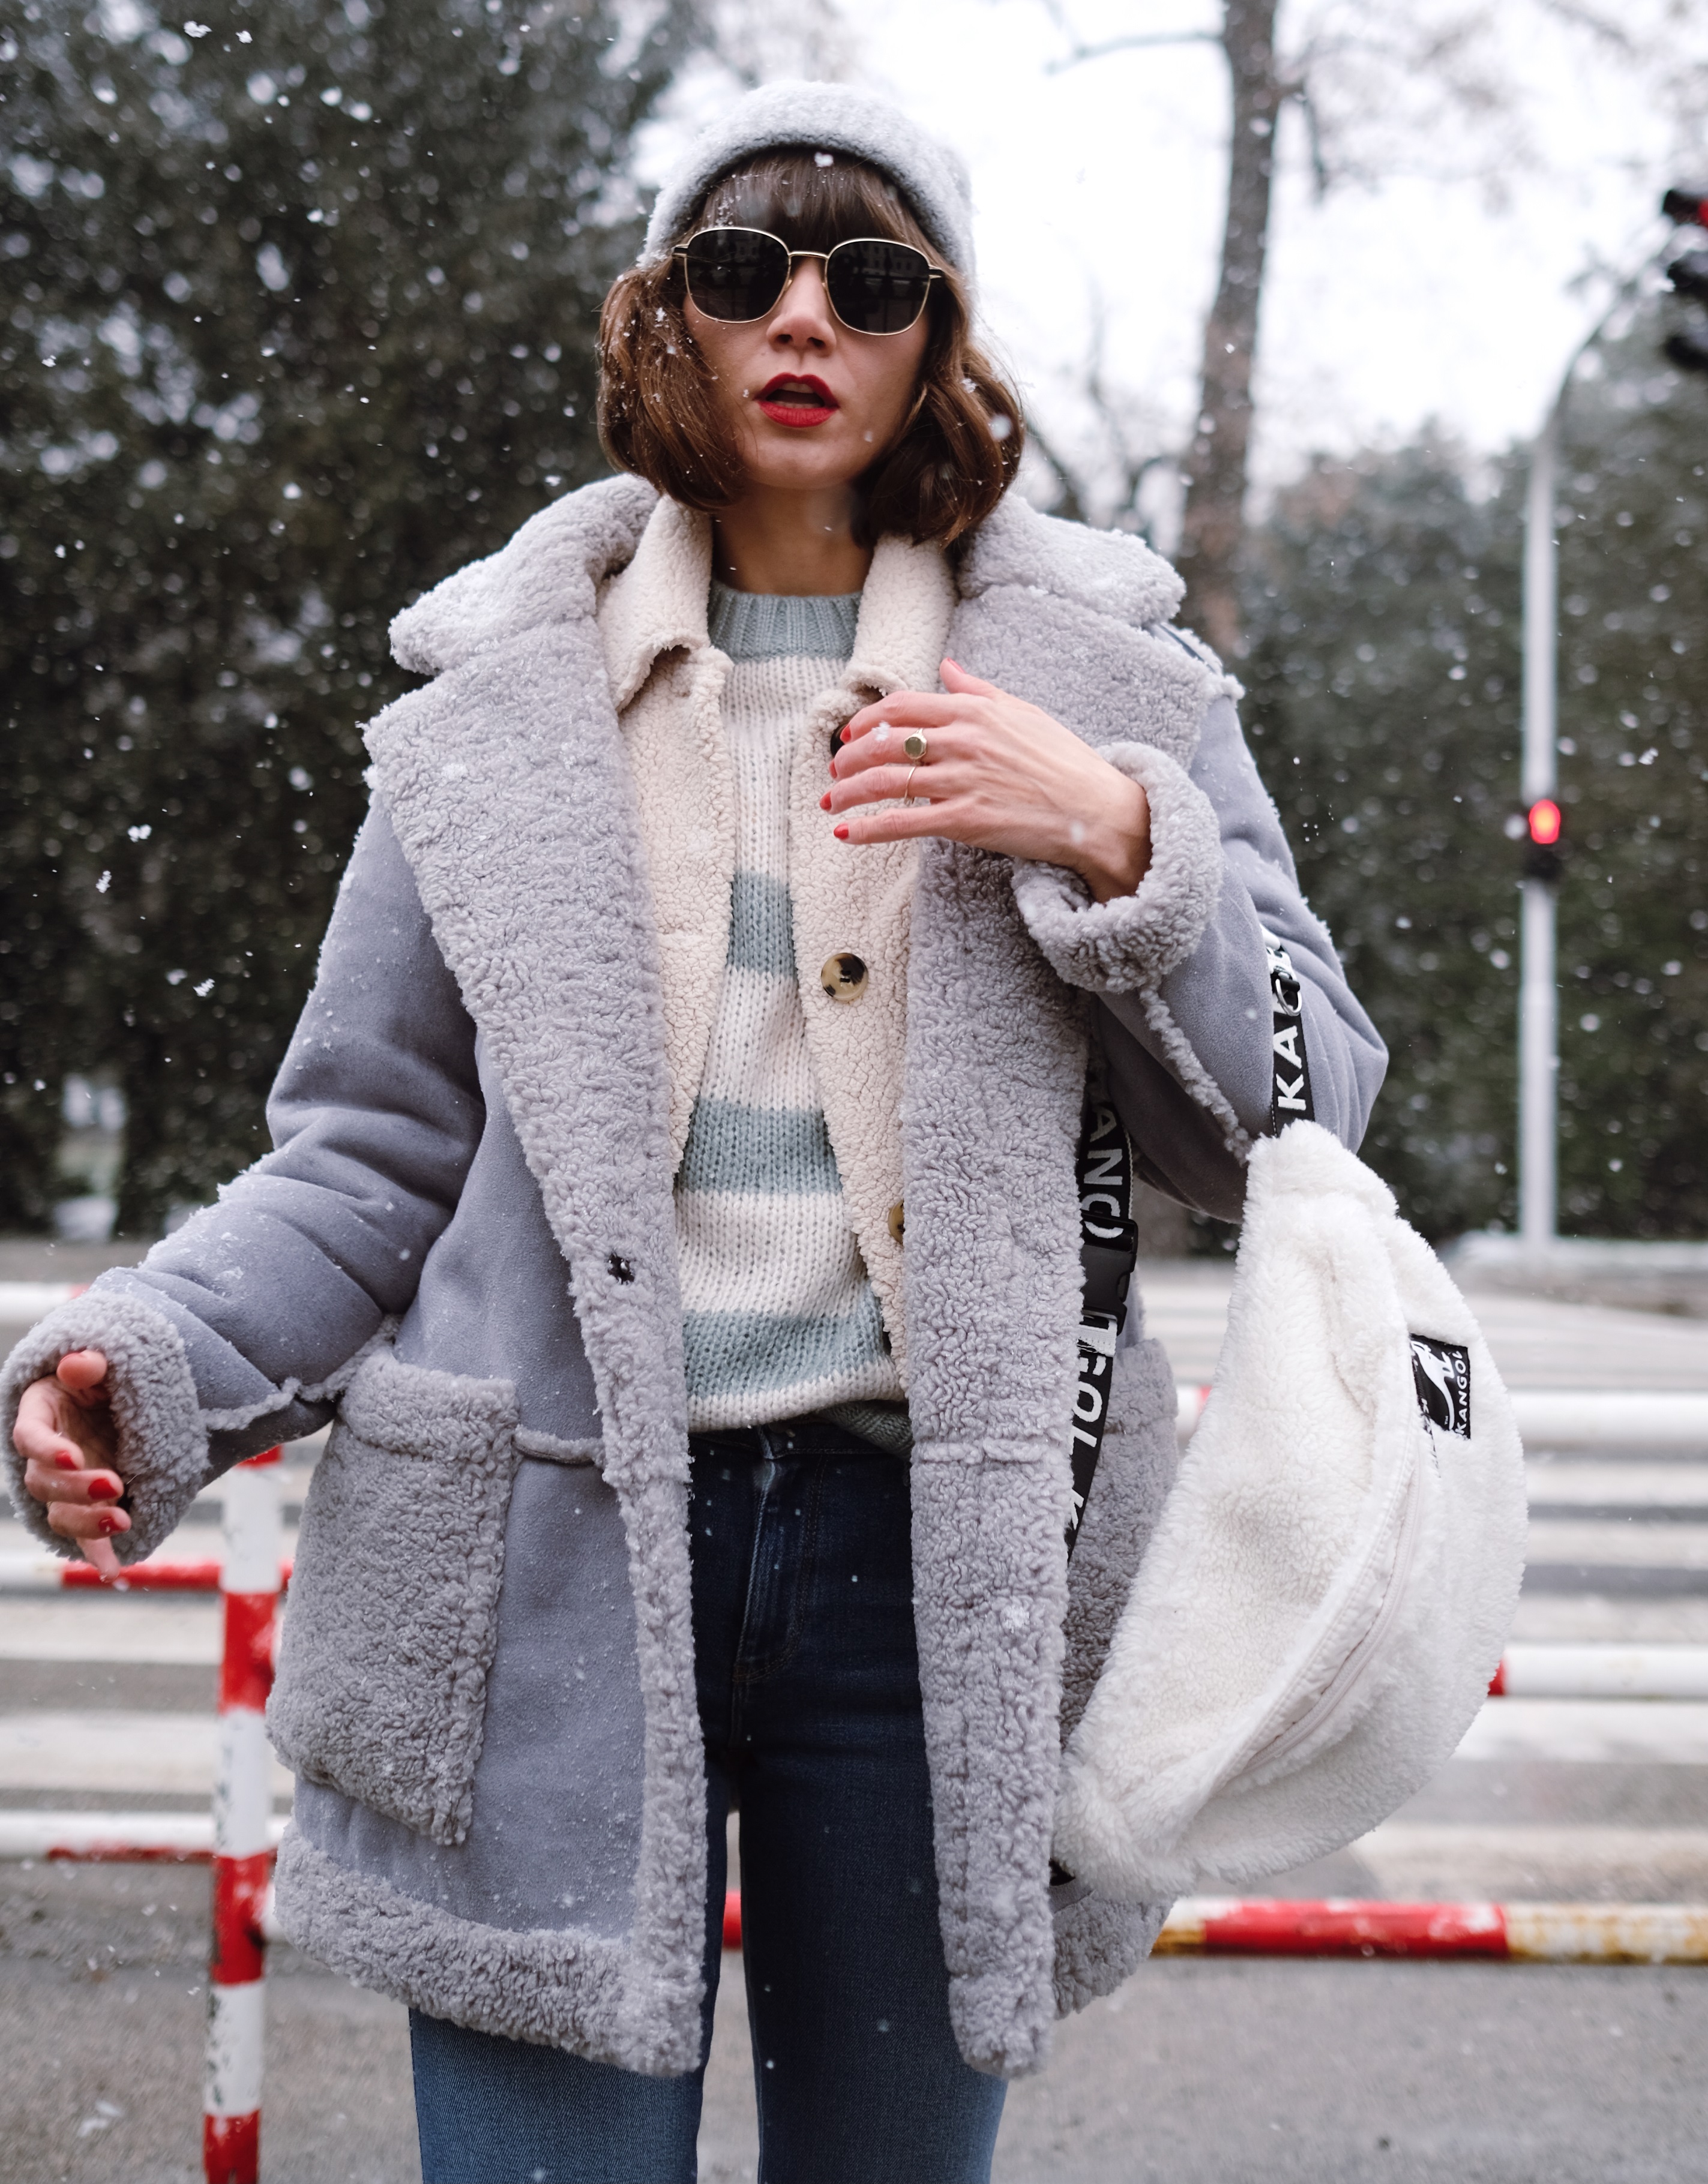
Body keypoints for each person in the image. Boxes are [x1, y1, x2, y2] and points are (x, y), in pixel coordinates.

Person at [3, 82, 1385, 2184]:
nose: (804, 319)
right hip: (545, 1565)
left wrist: (1120, 839)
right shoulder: (498, 703)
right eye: (746, 272)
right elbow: (366, 1161)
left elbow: (1306, 1111)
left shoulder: (1113, 692)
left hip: (937, 1583)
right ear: (673, 318)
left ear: (938, 340)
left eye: (873, 283)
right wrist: (148, 1357)